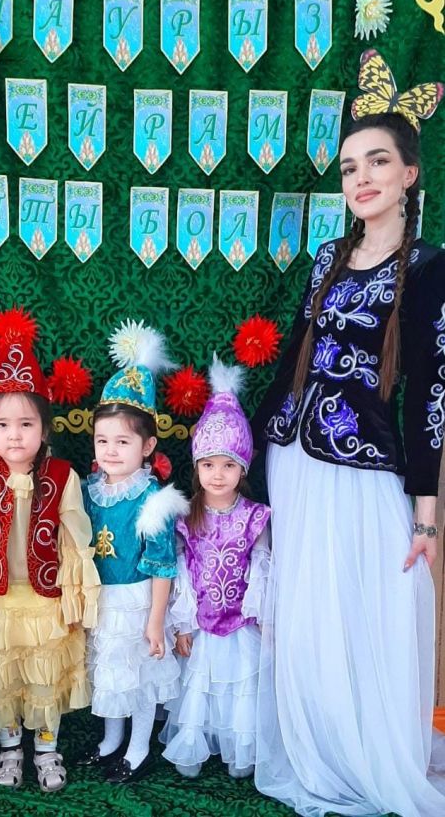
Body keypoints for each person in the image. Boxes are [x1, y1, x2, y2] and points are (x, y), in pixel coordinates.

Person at [250, 50, 445, 816]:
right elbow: (294, 360)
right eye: (348, 167)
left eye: (378, 161)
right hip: (296, 457)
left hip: (364, 465)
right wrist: (254, 449)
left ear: (410, 174)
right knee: (306, 616)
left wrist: (425, 511)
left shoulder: (429, 266)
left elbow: (430, 391)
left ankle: (371, 755)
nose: (360, 178)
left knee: (370, 612)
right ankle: (320, 750)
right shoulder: (330, 255)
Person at [0, 308, 99, 793]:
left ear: (45, 429)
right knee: (4, 678)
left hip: (45, 598)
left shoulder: (63, 476)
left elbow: (75, 543)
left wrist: (74, 600)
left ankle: (47, 750)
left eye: (26, 423)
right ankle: (10, 749)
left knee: (44, 678)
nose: (14, 435)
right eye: (2, 424)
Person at [79, 320, 188, 783]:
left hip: (138, 600)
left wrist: (156, 620)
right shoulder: (88, 491)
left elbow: (163, 566)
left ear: (147, 446)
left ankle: (139, 747)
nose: (110, 450)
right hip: (102, 598)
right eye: (102, 440)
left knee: (139, 675)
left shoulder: (152, 499)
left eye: (123, 441)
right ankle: (111, 740)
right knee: (111, 672)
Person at [160, 356, 271, 780]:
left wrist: (263, 617)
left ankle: (238, 749)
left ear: (243, 467)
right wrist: (182, 624)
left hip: (242, 625)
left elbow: (260, 567)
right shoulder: (186, 517)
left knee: (240, 685)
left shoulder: (256, 516)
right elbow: (182, 572)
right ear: (197, 467)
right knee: (202, 685)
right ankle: (195, 744)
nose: (218, 475)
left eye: (228, 465)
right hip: (202, 625)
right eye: (208, 464)